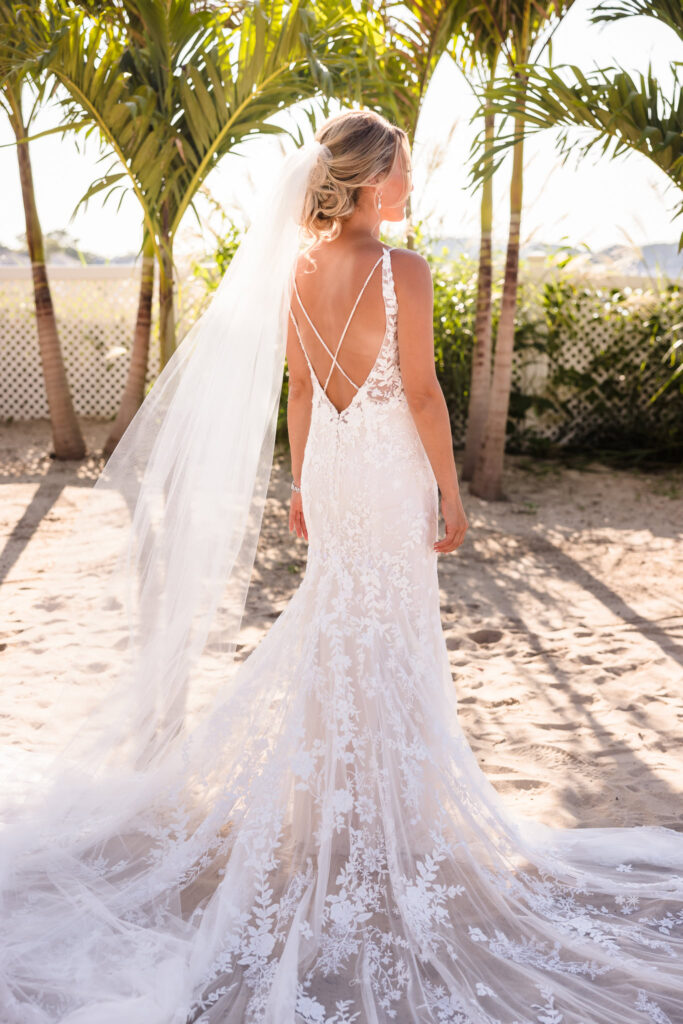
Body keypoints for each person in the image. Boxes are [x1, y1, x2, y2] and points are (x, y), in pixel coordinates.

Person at [1, 109, 683, 1024]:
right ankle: (376, 812)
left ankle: (338, 804)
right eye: (402, 172)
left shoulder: (299, 267)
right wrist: (450, 492)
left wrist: (299, 481)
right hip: (389, 468)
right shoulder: (402, 269)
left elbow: (298, 384)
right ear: (367, 181)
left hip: (333, 465)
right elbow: (424, 392)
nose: (412, 186)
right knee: (388, 623)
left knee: (337, 621)